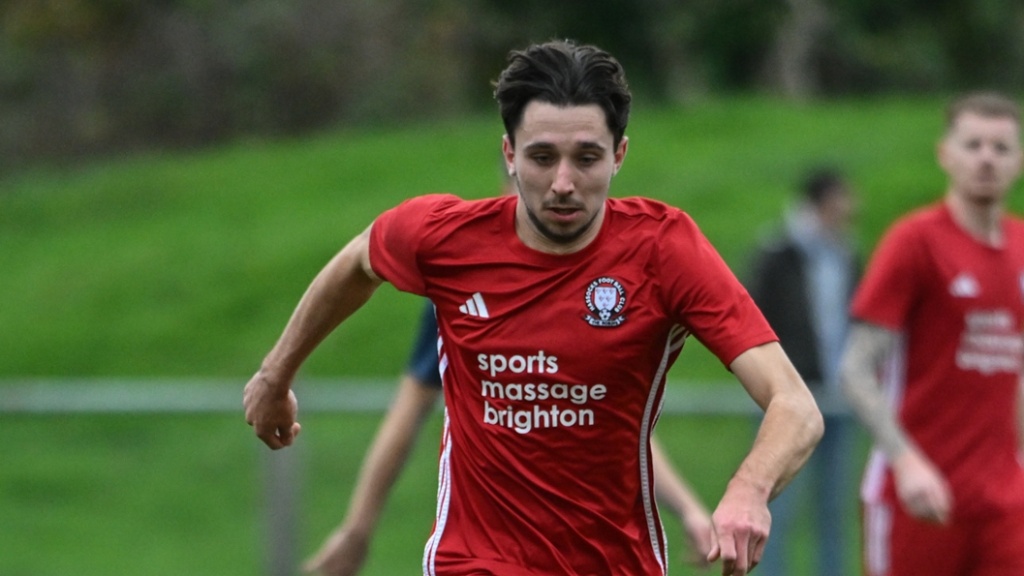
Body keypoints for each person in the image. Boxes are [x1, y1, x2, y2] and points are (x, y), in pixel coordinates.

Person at [244, 39, 823, 576]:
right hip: (471, 561)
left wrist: (748, 489)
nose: (564, 182)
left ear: (620, 155)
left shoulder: (664, 251)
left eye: (586, 158)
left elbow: (795, 406)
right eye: (542, 157)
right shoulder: (445, 239)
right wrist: (275, 375)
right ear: (509, 153)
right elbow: (358, 261)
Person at [302, 302, 717, 576]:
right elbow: (410, 406)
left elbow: (617, 432)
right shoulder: (463, 283)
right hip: (489, 552)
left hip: (588, 552)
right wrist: (358, 528)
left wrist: (689, 509)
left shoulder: (596, 289)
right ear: (512, 168)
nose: (561, 187)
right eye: (542, 162)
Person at [839, 91, 1024, 576]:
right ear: (946, 154)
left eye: (1001, 147)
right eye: (974, 144)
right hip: (917, 497)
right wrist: (906, 463)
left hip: (1004, 503)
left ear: (1019, 160)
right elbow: (856, 369)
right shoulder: (915, 241)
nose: (987, 158)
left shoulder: (1022, 248)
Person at [746, 168, 859, 576]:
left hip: (836, 396)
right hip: (787, 398)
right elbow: (753, 319)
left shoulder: (846, 255)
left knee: (832, 506)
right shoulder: (778, 253)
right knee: (775, 503)